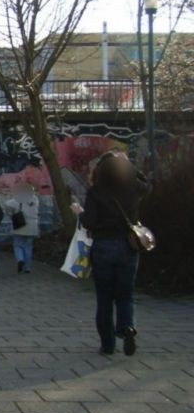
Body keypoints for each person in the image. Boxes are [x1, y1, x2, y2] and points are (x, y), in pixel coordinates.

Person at [72, 151, 150, 357]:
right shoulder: (134, 189)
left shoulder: (96, 192)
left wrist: (80, 213)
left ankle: (107, 345)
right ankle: (127, 327)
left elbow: (89, 222)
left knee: (104, 298)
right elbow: (147, 183)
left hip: (103, 247)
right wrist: (130, 166)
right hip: (128, 246)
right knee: (126, 295)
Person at [4, 183, 40, 273]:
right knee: (28, 247)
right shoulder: (35, 199)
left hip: (20, 224)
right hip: (32, 226)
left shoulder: (17, 199)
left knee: (17, 245)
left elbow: (7, 204)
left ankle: (20, 259)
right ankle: (27, 268)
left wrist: (11, 213)